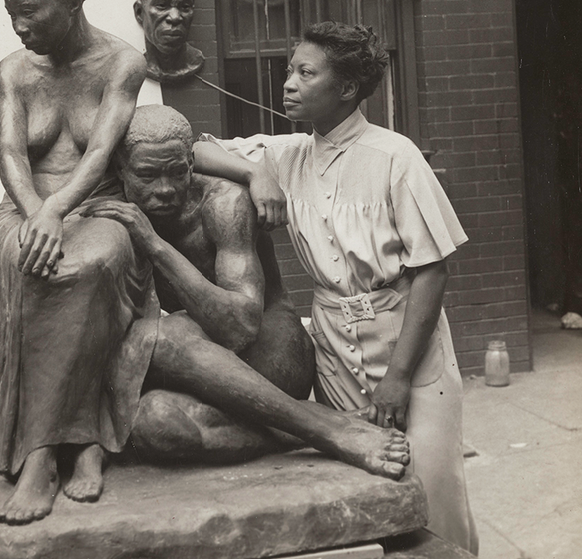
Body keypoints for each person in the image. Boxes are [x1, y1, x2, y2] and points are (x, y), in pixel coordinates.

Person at [193, 22, 478, 553]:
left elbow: (433, 271)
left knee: (432, 487)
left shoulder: (395, 156)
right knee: (361, 482)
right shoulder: (286, 154)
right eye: (289, 71)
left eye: (306, 72)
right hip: (332, 341)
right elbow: (192, 151)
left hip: (407, 340)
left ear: (346, 88)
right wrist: (255, 175)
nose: (289, 84)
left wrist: (398, 376)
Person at [82, 104, 412, 478]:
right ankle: (319, 425)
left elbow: (241, 326)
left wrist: (155, 246)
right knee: (154, 424)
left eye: (177, 172)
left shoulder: (223, 203)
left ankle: (330, 432)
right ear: (120, 171)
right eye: (147, 175)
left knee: (163, 337)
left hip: (272, 350)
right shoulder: (114, 204)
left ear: (191, 164)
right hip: (203, 359)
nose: (165, 189)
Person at [0, 0, 159, 525]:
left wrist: (62, 211)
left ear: (73, 0)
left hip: (96, 208)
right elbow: (9, 154)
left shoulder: (122, 63)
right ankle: (52, 455)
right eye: (11, 13)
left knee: (87, 267)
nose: (19, 26)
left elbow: (103, 151)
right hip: (23, 209)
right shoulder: (13, 71)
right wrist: (39, 213)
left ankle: (71, 445)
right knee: (34, 262)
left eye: (30, 12)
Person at [134, 0, 205, 84]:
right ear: (139, 12)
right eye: (162, 6)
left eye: (185, 6)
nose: (175, 17)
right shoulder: (132, 65)